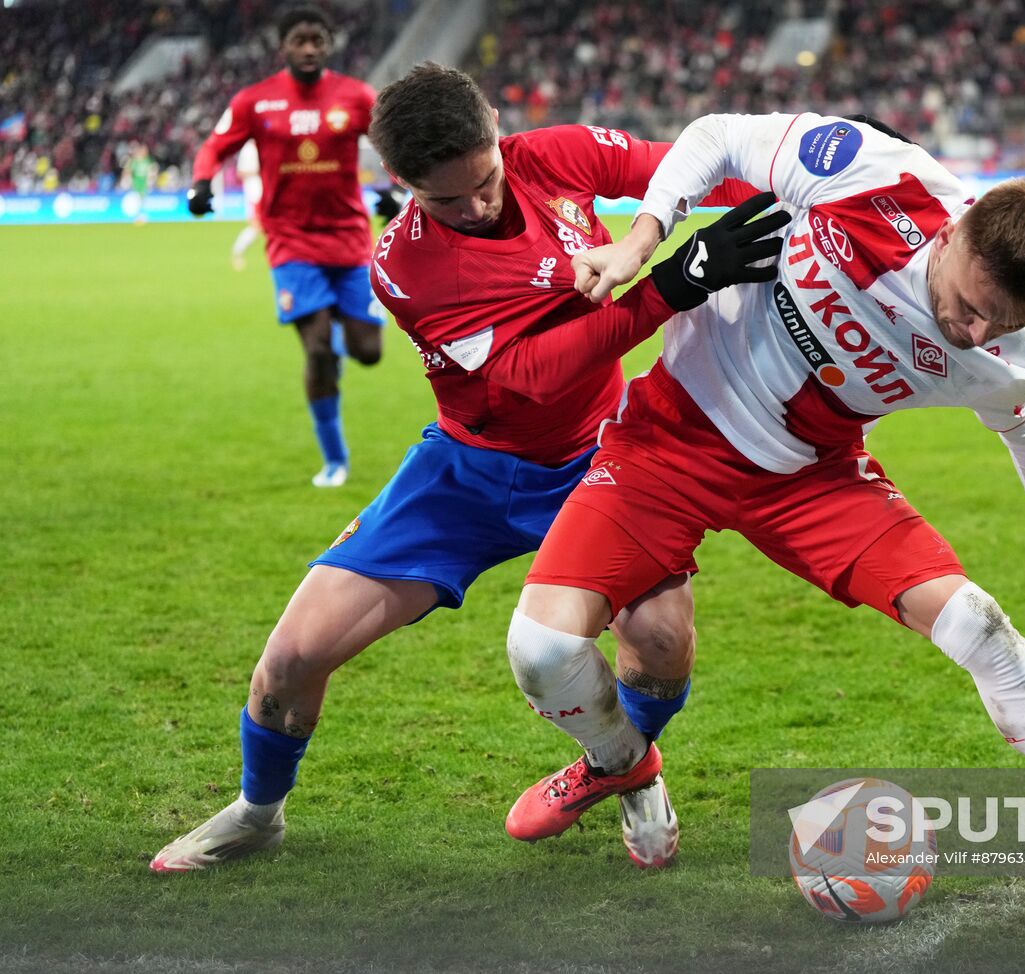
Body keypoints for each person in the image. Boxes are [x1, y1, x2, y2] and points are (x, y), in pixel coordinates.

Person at [501, 112, 1025, 923]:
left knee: (981, 626)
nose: (971, 332)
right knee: (542, 649)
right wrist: (639, 243)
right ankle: (621, 764)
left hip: (811, 477)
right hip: (669, 437)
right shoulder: (875, 176)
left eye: (996, 324)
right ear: (952, 236)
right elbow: (715, 139)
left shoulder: (1005, 361)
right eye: (970, 305)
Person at [148, 64, 778, 875]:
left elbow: (685, 168)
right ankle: (257, 811)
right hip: (467, 473)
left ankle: (618, 766)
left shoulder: (557, 155)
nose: (478, 205)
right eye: (449, 199)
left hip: (598, 458)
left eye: (485, 180)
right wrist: (673, 285)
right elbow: (534, 375)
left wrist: (825, 177)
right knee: (291, 660)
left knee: (662, 638)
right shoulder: (405, 269)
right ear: (403, 185)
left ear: (495, 133)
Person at [186, 6, 385, 488]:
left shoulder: (356, 96)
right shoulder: (257, 101)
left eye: (318, 39)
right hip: (290, 243)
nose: (310, 48)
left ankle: (339, 328)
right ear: (284, 46)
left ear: (329, 44)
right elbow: (214, 146)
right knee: (317, 353)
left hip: (350, 239)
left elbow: (393, 141)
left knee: (369, 352)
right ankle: (335, 459)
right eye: (300, 40)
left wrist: (397, 185)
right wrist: (202, 183)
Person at [229, 140, 263, 271]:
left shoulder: (259, 145)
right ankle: (237, 252)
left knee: (263, 226)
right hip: (255, 192)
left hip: (262, 191)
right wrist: (259, 170)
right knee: (257, 226)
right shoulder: (248, 149)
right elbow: (241, 172)